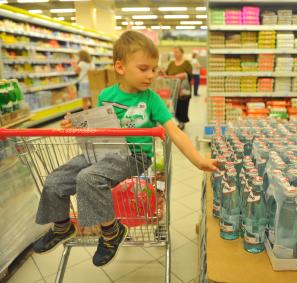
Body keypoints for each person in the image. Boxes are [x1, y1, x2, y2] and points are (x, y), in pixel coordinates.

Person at [32, 31, 217, 267]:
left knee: (88, 177)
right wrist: (76, 123)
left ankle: (111, 232)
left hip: (134, 157)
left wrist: (198, 160)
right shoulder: (107, 95)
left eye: (154, 69)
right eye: (144, 69)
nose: (151, 75)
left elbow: (175, 131)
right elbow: (96, 124)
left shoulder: (151, 99)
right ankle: (62, 226)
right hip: (101, 152)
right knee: (55, 180)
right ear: (120, 67)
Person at [165, 47, 192, 130]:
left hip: (183, 90)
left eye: (177, 52)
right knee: (175, 107)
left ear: (182, 53)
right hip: (173, 90)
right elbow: (166, 74)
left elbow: (190, 75)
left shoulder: (186, 63)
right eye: (174, 52)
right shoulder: (171, 64)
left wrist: (184, 75)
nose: (175, 54)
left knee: (183, 106)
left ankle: (182, 122)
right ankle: (178, 120)